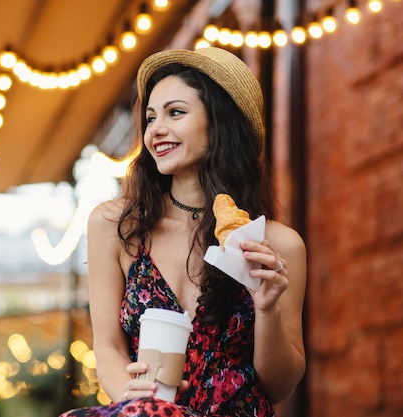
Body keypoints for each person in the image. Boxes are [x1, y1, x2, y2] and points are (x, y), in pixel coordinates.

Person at [60, 47, 306, 416]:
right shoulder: (114, 225)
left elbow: (279, 385)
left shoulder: (276, 243)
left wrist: (267, 308)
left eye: (175, 112)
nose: (156, 129)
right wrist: (132, 394)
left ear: (221, 123)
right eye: (150, 117)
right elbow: (108, 345)